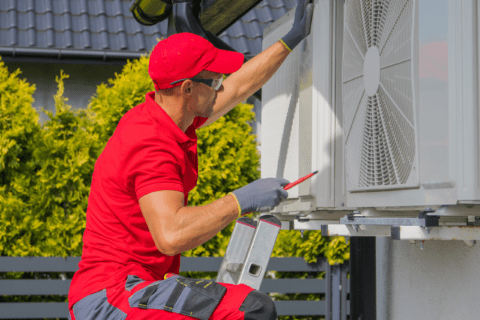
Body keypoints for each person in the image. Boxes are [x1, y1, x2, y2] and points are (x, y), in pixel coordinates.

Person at [68, 1, 314, 319]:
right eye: (213, 81)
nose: (219, 87)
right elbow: (171, 236)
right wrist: (242, 200)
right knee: (251, 311)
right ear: (187, 88)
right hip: (113, 295)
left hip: (136, 287)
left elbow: (239, 86)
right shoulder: (150, 144)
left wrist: (290, 40)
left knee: (250, 307)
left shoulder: (171, 118)